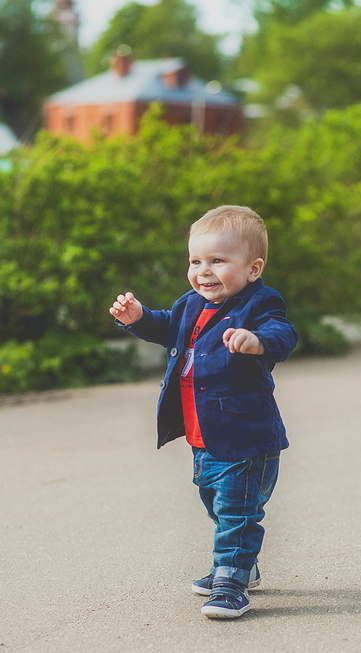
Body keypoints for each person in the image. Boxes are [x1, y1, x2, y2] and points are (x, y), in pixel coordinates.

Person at [109, 205, 298, 619]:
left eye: (218, 261)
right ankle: (241, 563)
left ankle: (231, 582)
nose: (204, 271)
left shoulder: (260, 303)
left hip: (245, 435)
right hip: (204, 435)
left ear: (253, 269)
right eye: (195, 261)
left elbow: (283, 331)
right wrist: (138, 319)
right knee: (215, 502)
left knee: (236, 511)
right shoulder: (190, 304)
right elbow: (167, 327)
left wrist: (258, 340)